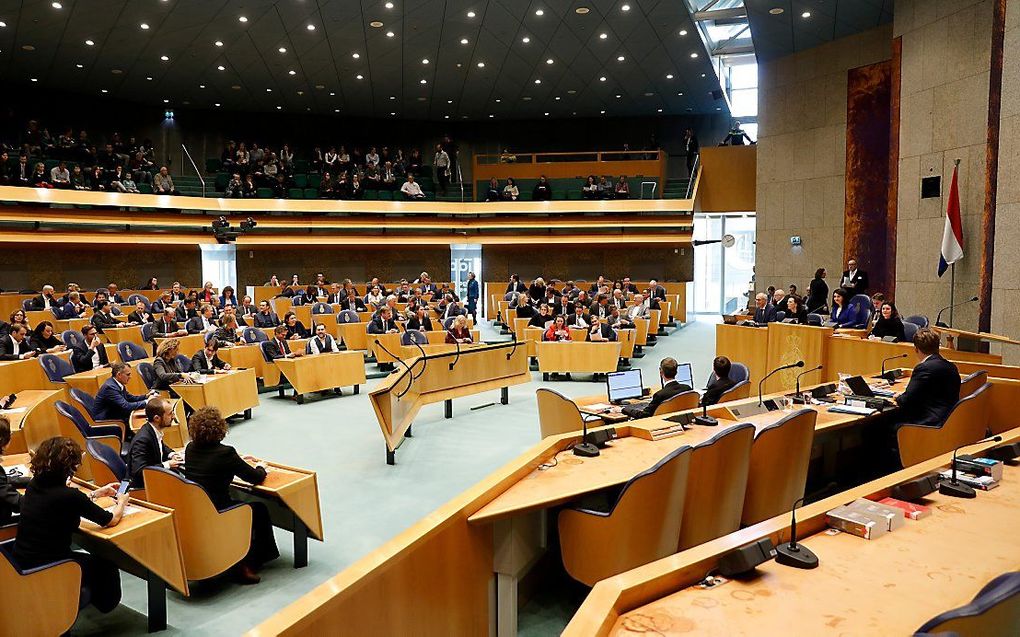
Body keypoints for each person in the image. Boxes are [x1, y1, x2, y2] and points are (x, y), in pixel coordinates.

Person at [14, 436, 129, 613]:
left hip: (23, 563)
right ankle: (86, 605)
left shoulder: (34, 486)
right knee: (106, 567)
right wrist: (121, 501)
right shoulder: (69, 496)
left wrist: (96, 494)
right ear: (70, 467)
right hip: (54, 566)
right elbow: (110, 519)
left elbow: (63, 505)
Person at [184, 407, 279, 584]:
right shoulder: (225, 453)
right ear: (220, 428)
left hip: (198, 510)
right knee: (259, 509)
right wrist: (261, 467)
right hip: (220, 510)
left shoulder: (190, 449)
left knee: (251, 506)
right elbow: (254, 477)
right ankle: (250, 562)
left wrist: (240, 461)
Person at [894, 328, 961, 427]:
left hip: (929, 422)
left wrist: (897, 398)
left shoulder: (924, 368)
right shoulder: (951, 366)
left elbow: (907, 400)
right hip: (947, 420)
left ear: (916, 349)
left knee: (879, 424)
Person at [125, 398, 184, 489]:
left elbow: (160, 446)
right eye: (170, 414)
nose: (173, 417)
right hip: (145, 487)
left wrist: (171, 454)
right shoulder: (142, 440)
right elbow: (140, 471)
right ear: (157, 418)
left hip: (155, 478)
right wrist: (167, 464)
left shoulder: (152, 430)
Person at [622, 358, 692, 419]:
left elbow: (644, 415)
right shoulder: (687, 389)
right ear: (676, 372)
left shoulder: (660, 395)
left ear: (661, 372)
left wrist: (623, 409)